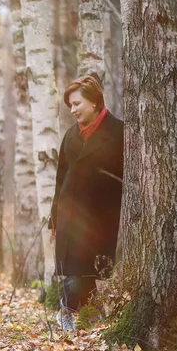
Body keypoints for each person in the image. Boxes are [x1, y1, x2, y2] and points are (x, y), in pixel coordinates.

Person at [49, 75, 124, 331]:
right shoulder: (71, 135)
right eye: (70, 105)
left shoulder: (119, 131)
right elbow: (61, 179)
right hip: (70, 215)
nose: (73, 110)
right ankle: (79, 315)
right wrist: (54, 217)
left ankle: (70, 311)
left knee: (89, 269)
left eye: (77, 103)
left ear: (94, 101)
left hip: (101, 218)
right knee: (74, 268)